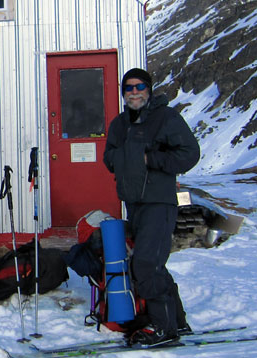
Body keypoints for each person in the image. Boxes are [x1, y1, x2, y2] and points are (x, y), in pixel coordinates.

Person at [103, 68, 200, 345]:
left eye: (139, 86)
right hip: (134, 203)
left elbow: (189, 153)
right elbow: (109, 156)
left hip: (159, 202)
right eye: (129, 88)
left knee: (146, 264)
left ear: (149, 89)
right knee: (152, 263)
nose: (134, 92)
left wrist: (150, 159)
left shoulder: (165, 118)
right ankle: (177, 322)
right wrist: (126, 159)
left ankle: (163, 328)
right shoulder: (119, 124)